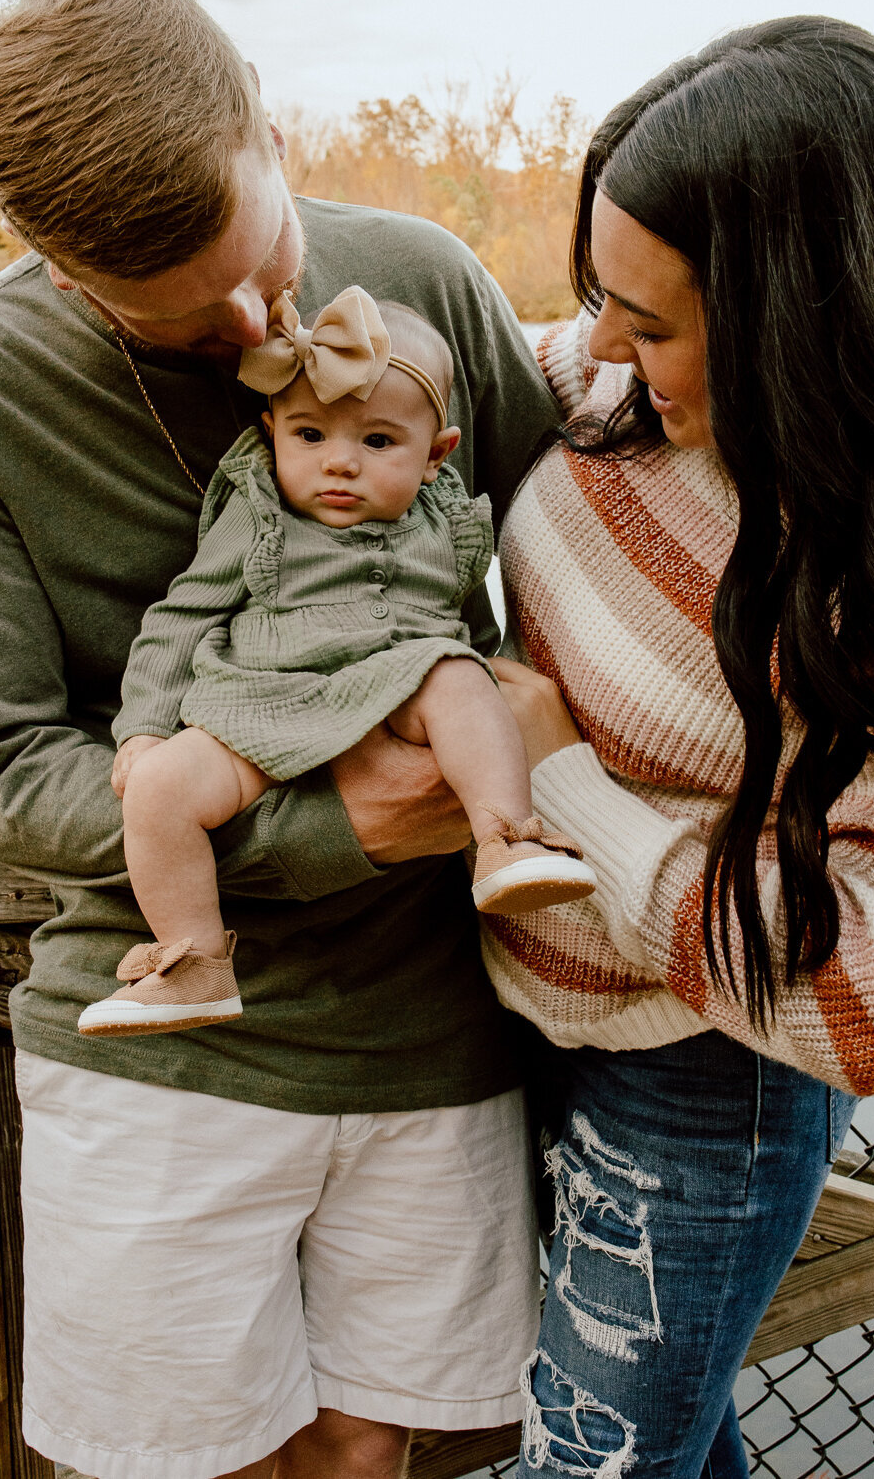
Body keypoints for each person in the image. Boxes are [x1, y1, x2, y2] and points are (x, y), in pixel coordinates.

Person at [0, 0, 556, 1479]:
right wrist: (337, 830)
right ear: (61, 275)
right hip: (159, 1063)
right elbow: (4, 772)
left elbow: (567, 585)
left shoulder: (429, 279)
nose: (264, 326)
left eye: (263, 262)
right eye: (186, 325)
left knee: (378, 1460)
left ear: (270, 125)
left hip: (433, 1040)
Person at [483, 17, 874, 1477]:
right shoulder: (611, 392)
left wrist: (565, 786)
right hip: (526, 1009)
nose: (596, 351)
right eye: (597, 298)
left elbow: (868, 1005)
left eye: (650, 319)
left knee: (593, 1464)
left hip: (709, 1071)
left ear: (800, 322)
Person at [79, 287, 593, 1037]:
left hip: (400, 682)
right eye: (310, 435)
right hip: (264, 700)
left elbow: (483, 618)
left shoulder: (445, 515)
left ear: (435, 456)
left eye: (378, 443)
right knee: (157, 789)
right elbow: (182, 616)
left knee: (461, 680)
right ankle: (191, 965)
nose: (339, 464)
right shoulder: (259, 511)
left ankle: (508, 840)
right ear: (272, 433)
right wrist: (145, 728)